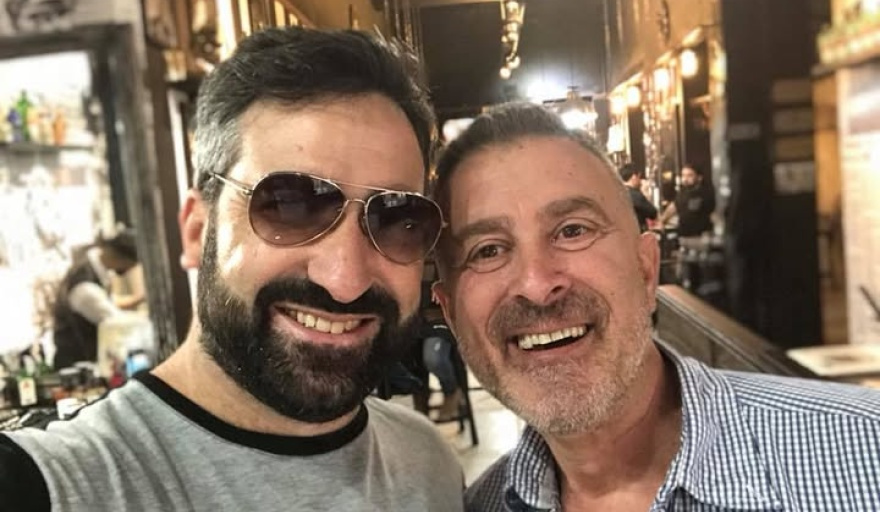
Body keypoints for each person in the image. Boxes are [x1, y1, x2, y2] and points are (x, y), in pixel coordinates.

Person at [1, 27, 464, 511]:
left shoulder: (428, 464)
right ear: (196, 230)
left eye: (397, 218)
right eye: (287, 205)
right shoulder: (52, 485)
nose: (344, 279)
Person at [430, 103, 880, 511]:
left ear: (646, 270)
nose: (536, 284)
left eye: (572, 230)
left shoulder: (864, 453)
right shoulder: (483, 505)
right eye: (487, 251)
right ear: (451, 314)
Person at [51, 228, 144, 370]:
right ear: (121, 257)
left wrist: (140, 299)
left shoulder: (93, 264)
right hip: (79, 365)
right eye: (132, 264)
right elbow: (115, 321)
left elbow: (109, 303)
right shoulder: (85, 286)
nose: (130, 269)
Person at [421, 307, 463, 421]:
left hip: (441, 318)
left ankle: (451, 391)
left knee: (433, 359)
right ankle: (419, 396)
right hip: (415, 319)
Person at [660, 163, 716, 237]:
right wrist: (661, 221)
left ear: (699, 177)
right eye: (683, 175)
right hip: (683, 235)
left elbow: (715, 215)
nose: (685, 179)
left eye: (690, 175)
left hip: (700, 237)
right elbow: (673, 207)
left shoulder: (706, 194)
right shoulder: (682, 193)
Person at [618, 163, 657, 232]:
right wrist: (645, 193)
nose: (640, 181)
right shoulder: (635, 195)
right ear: (634, 177)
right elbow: (652, 213)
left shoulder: (618, 193)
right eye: (639, 177)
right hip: (637, 233)